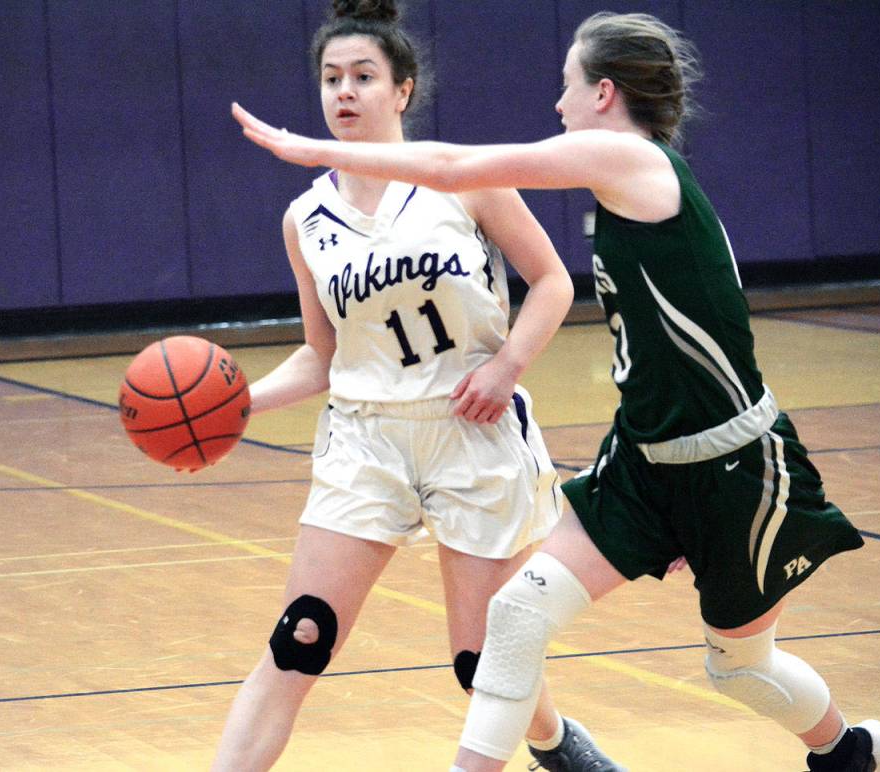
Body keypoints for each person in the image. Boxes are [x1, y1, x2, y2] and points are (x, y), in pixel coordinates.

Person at [232, 10, 880, 772]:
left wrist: (307, 147)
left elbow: (453, 169)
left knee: (740, 667)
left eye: (567, 85)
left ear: (604, 93)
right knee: (513, 618)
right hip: (644, 454)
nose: (557, 103)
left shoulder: (631, 159)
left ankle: (843, 751)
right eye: (332, 79)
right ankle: (555, 753)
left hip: (732, 461)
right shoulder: (615, 185)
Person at [214, 2, 624, 770]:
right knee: (300, 638)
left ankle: (553, 741)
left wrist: (506, 366)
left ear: (402, 90)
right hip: (364, 439)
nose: (344, 91)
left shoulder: (464, 181)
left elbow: (551, 282)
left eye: (362, 76)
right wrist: (235, 406)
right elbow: (322, 354)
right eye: (331, 78)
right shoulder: (306, 219)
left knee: (480, 664)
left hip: (470, 431)